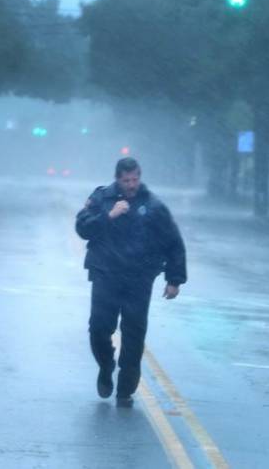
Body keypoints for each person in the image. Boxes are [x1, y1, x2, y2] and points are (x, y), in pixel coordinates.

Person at [75, 157, 187, 407]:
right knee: (99, 328)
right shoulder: (101, 199)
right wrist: (109, 216)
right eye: (126, 180)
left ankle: (125, 387)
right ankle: (106, 365)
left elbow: (173, 242)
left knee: (134, 333)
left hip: (139, 277)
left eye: (135, 179)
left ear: (140, 176)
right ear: (117, 179)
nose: (131, 185)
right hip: (106, 274)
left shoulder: (153, 206)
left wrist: (174, 279)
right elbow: (82, 228)